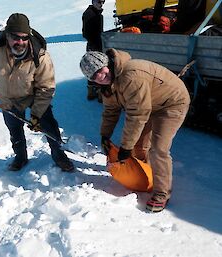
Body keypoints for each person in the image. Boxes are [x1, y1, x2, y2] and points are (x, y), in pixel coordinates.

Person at [79, 50, 190, 212]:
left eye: (100, 70)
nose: (100, 76)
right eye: (94, 76)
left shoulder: (131, 75)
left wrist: (125, 147)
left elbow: (137, 114)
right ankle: (145, 177)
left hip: (172, 103)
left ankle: (162, 192)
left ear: (107, 64)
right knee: (139, 146)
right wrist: (105, 135)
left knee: (158, 148)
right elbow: (110, 111)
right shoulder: (108, 86)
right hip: (150, 104)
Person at [0, 13, 74, 172]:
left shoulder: (40, 55)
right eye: (16, 37)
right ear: (7, 35)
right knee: (15, 129)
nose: (20, 42)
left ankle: (59, 155)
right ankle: (20, 157)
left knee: (49, 126)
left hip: (34, 96)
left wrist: (36, 115)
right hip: (7, 98)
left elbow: (46, 87)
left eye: (24, 38)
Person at [82, 0, 105, 101]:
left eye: (103, 2)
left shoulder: (97, 14)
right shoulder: (90, 14)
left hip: (97, 44)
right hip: (94, 45)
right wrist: (94, 44)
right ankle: (98, 92)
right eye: (99, 1)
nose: (101, 4)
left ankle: (94, 91)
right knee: (97, 67)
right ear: (93, 1)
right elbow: (86, 33)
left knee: (94, 67)